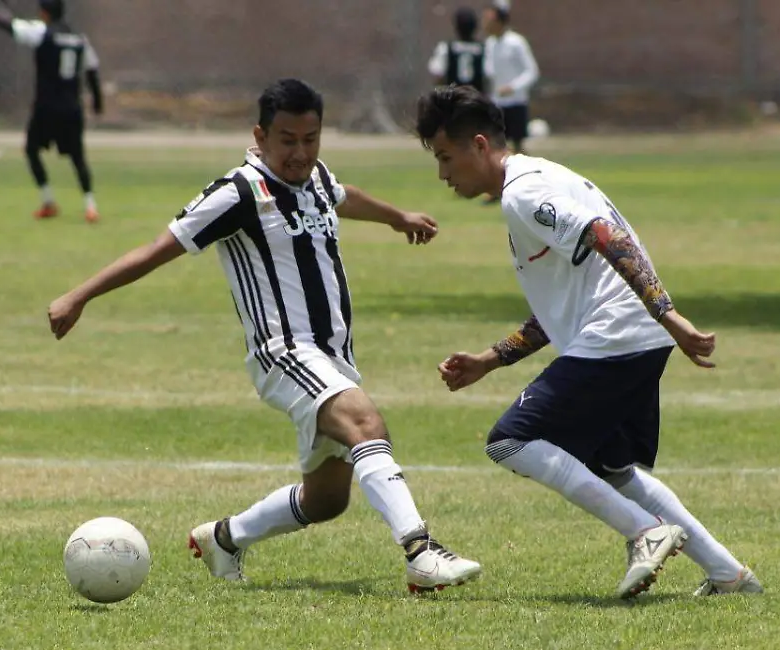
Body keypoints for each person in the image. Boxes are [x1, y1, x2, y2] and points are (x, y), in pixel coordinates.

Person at [47, 79, 482, 593]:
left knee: (326, 501)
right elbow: (155, 249)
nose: (300, 153)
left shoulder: (315, 176)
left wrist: (396, 217)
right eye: (287, 140)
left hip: (333, 355)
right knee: (367, 424)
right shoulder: (237, 193)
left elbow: (342, 196)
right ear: (261, 135)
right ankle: (421, 553)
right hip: (285, 353)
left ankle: (224, 539)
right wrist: (79, 295)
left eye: (310, 139)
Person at [413, 85, 763, 599]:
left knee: (510, 441)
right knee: (610, 466)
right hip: (631, 333)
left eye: (445, 157)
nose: (443, 175)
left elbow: (607, 236)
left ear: (480, 145)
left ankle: (645, 532)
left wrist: (670, 315)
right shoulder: (542, 176)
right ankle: (729, 575)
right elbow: (563, 303)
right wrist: (491, 359)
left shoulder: (522, 194)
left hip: (617, 333)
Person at [0, 0, 104, 223]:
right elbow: (92, 71)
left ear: (43, 13)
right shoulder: (80, 39)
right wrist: (98, 102)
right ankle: (90, 205)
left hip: (46, 107)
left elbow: (6, 23)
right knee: (78, 157)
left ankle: (48, 200)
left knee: (31, 150)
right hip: (72, 107)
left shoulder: (41, 32)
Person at [482, 4, 537, 155]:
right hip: (496, 102)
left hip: (516, 102)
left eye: (489, 19)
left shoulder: (516, 42)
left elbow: (532, 71)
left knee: (518, 147)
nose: (485, 23)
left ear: (499, 21)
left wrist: (513, 87)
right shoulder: (489, 44)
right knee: (497, 145)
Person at [426, 7, 485, 93]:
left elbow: (438, 74)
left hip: (454, 98)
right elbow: (488, 76)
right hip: (476, 99)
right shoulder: (483, 49)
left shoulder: (446, 47)